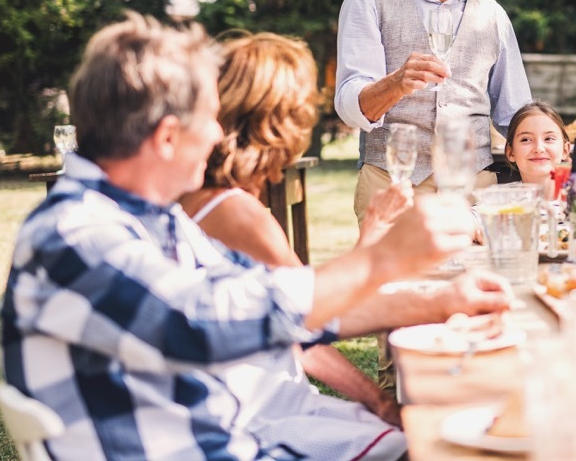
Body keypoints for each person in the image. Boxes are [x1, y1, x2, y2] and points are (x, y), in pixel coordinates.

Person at [0, 14, 496, 460]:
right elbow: (200, 321)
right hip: (211, 444)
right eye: (208, 120)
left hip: (226, 432)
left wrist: (440, 302)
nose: (218, 135)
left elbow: (276, 302)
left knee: (448, 439)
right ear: (168, 137)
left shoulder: (154, 221)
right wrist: (380, 260)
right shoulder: (74, 231)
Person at [179, 32, 508, 428]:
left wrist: (371, 238)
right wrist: (382, 406)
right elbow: (308, 328)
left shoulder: (203, 198)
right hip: (262, 411)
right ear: (281, 121)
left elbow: (310, 304)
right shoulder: (238, 214)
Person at [335, 0, 533, 232]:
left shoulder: (492, 14)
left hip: (473, 189)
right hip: (392, 185)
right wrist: (396, 84)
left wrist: (549, 142)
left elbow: (516, 113)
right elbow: (350, 107)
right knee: (393, 270)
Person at [503, 101, 571, 190]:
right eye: (526, 139)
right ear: (511, 152)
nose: (539, 148)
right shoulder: (498, 197)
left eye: (548, 139)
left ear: (565, 150)